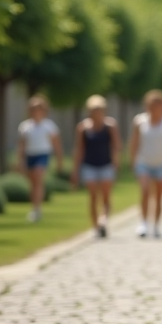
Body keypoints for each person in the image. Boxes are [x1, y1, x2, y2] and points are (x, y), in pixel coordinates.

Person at [71, 94, 121, 238]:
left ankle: (103, 221)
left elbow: (116, 146)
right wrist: (75, 170)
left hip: (106, 164)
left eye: (99, 110)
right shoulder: (83, 128)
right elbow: (79, 149)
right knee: (93, 196)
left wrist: (116, 164)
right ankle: (95, 227)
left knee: (105, 196)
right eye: (93, 110)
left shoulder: (110, 126)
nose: (96, 113)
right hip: (89, 165)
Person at [128, 89, 162, 239]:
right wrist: (133, 160)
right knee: (145, 190)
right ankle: (143, 223)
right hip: (144, 162)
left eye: (158, 105)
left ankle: (156, 225)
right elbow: (134, 143)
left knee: (159, 196)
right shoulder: (139, 121)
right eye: (152, 105)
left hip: (161, 163)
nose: (155, 108)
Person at [15, 94, 64, 222]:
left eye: (38, 108)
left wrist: (59, 160)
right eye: (33, 109)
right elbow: (22, 145)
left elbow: (56, 144)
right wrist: (20, 161)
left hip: (42, 154)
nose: (36, 111)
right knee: (33, 183)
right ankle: (35, 207)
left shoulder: (49, 126)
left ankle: (37, 209)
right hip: (30, 155)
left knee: (38, 177)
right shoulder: (25, 126)